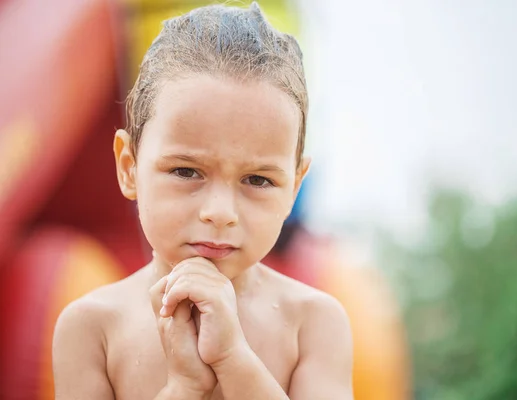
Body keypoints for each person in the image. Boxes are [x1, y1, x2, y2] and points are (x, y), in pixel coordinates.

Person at [51, 3, 353, 399]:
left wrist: (232, 358)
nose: (219, 213)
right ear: (129, 167)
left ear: (294, 188)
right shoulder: (94, 328)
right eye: (186, 171)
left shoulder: (313, 323)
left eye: (258, 179)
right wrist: (184, 386)